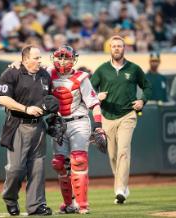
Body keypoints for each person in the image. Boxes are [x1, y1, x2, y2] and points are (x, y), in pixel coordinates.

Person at [90, 35, 152, 204]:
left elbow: (147, 86)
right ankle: (123, 185)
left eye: (120, 46)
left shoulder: (134, 69)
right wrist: (97, 96)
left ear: (125, 48)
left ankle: (120, 189)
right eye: (114, 46)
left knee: (124, 151)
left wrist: (142, 100)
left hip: (128, 115)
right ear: (110, 49)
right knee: (112, 155)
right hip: (107, 116)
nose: (117, 48)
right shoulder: (102, 69)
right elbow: (88, 89)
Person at [0, 45, 53, 216]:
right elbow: (3, 99)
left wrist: (52, 117)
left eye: (40, 58)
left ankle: (36, 206)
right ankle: (10, 198)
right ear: (25, 59)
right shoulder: (11, 73)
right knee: (16, 169)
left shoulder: (44, 75)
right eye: (36, 58)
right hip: (18, 124)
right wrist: (26, 109)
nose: (39, 61)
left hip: (38, 126)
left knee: (37, 168)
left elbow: (49, 100)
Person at [48, 46, 105, 214]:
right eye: (60, 57)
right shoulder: (48, 74)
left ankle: (82, 204)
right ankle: (68, 204)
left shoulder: (82, 77)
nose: (63, 61)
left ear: (73, 59)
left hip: (79, 122)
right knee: (59, 163)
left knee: (78, 160)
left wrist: (99, 126)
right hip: (58, 123)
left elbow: (94, 103)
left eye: (66, 57)